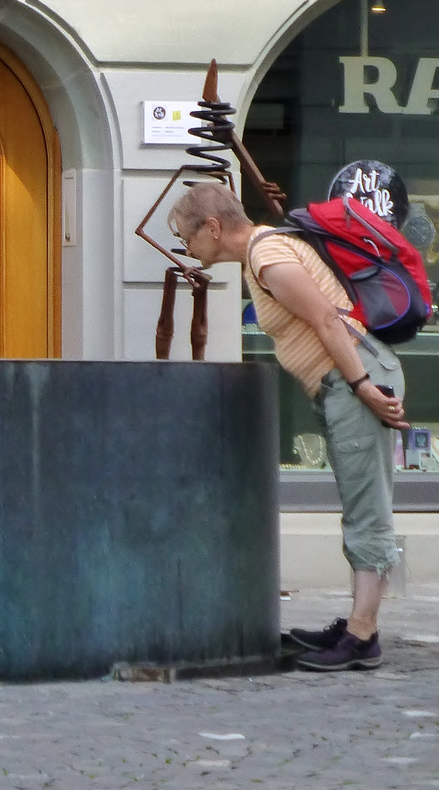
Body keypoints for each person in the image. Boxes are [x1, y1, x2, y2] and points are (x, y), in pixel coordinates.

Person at [167, 182, 408, 672]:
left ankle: (362, 637)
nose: (186, 249)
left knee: (368, 509)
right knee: (361, 503)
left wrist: (361, 386)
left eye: (186, 237)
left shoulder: (267, 254)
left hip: (354, 377)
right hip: (344, 380)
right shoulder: (264, 252)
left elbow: (325, 320)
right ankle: (361, 625)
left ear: (213, 227)